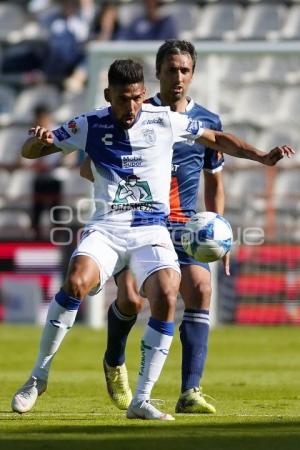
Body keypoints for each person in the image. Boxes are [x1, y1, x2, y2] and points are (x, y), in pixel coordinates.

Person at [11, 59, 294, 420]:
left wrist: (261, 156)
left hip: (151, 231)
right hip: (107, 229)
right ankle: (37, 378)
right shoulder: (89, 124)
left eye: (135, 98)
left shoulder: (163, 121)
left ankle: (141, 400)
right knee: (76, 282)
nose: (130, 108)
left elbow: (216, 139)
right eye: (121, 99)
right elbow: (31, 152)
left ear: (143, 94)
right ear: (107, 95)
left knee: (166, 295)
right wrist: (39, 142)